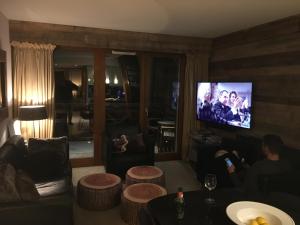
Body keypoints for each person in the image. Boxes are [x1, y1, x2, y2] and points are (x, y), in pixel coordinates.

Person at [226, 134, 291, 194]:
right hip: (274, 199)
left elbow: (243, 189)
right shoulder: (286, 164)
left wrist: (232, 172)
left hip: (253, 199)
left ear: (266, 148)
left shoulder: (257, 167)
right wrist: (250, 170)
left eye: (262, 145)